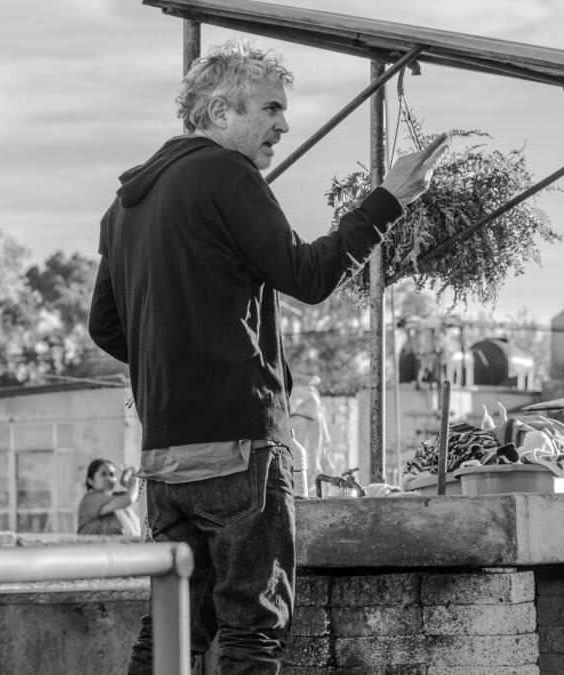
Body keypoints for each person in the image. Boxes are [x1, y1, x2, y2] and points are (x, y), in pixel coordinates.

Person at [87, 38, 447, 674]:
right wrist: (388, 199)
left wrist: (173, 360)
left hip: (165, 460)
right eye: (272, 108)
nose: (283, 124)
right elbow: (308, 275)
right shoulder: (227, 175)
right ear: (221, 112)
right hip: (240, 449)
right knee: (254, 634)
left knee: (170, 633)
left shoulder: (124, 206)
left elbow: (107, 327)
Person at [77, 459, 142, 536]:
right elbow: (129, 499)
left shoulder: (116, 497)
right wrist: (134, 481)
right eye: (103, 474)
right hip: (97, 547)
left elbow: (138, 496)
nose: (108, 478)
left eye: (112, 475)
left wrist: (127, 485)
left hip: (125, 546)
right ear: (90, 481)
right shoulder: (90, 500)